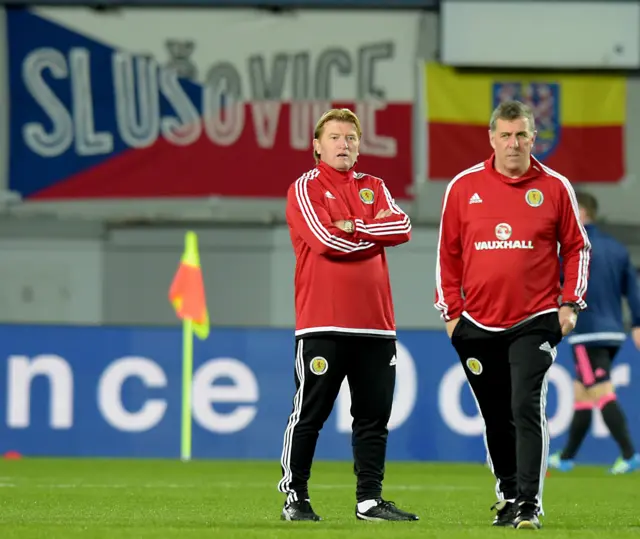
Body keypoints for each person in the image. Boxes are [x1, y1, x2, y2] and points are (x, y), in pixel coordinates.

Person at [434, 100, 591, 530]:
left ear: (533, 138)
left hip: (536, 319)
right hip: (477, 323)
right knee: (495, 414)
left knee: (525, 405)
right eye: (505, 135)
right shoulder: (463, 188)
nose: (513, 143)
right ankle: (507, 494)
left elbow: (577, 248)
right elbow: (447, 254)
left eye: (521, 135)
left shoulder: (556, 187)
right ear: (492, 138)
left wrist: (569, 303)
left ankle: (528, 504)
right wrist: (451, 313)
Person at [277, 108, 418, 523]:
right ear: (317, 146)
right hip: (324, 321)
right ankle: (295, 497)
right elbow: (323, 241)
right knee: (310, 414)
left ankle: (369, 501)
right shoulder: (304, 188)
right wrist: (372, 234)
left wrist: (352, 225)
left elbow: (403, 226)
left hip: (376, 325)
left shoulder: (374, 185)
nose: (344, 145)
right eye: (335, 137)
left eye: (351, 138)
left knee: (373, 418)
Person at [548, 191, 640, 474]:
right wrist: (636, 323)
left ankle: (629, 454)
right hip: (614, 330)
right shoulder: (616, 248)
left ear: (582, 212)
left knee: (600, 391)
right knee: (582, 393)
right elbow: (633, 290)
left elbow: (556, 282)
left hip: (586, 330)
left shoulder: (574, 248)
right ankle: (566, 458)